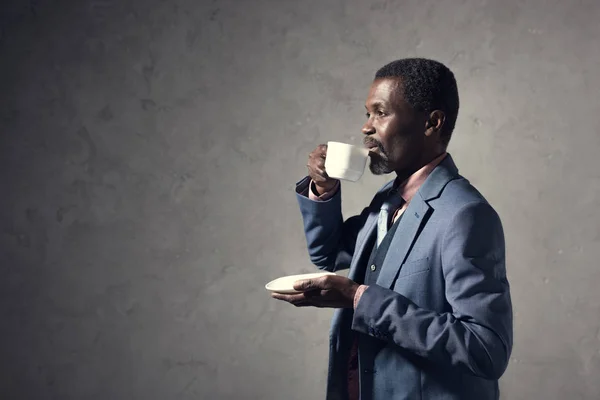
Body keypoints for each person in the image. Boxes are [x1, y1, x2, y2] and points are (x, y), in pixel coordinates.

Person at [272, 58, 513, 400]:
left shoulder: (465, 215)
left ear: (432, 122)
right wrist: (322, 189)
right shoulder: (388, 199)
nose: (366, 128)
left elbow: (485, 349)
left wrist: (358, 298)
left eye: (380, 113)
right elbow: (328, 253)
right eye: (367, 114)